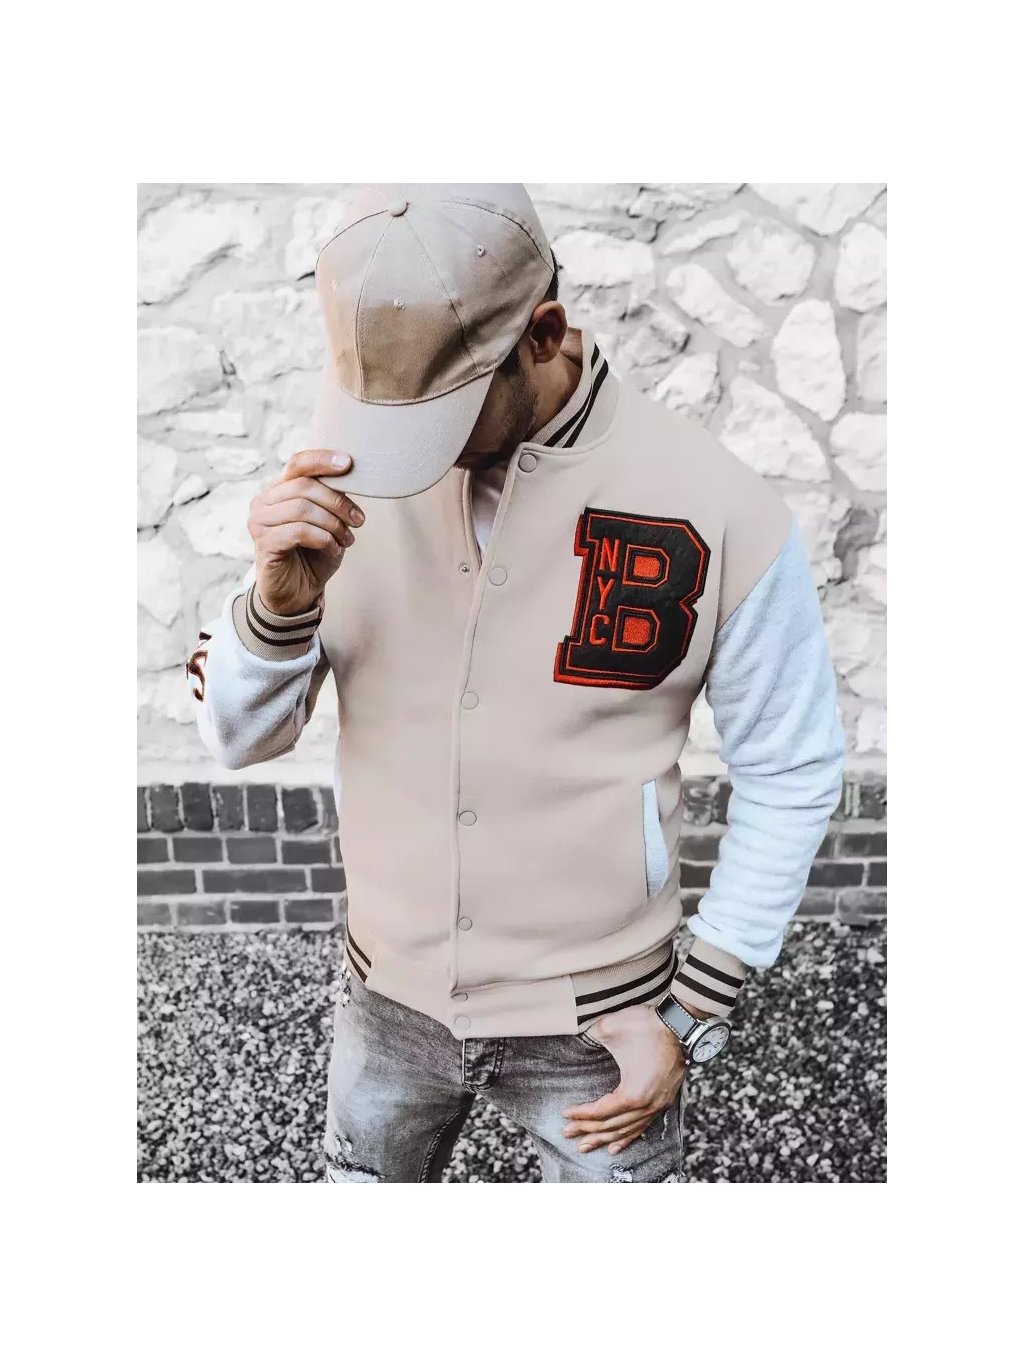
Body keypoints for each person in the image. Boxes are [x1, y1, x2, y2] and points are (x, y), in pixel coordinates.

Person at [187, 183, 845, 1183]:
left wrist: (693, 1010)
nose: (406, 452)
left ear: (543, 334)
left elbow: (792, 768)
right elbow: (238, 738)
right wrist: (278, 603)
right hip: (384, 1002)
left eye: (441, 414)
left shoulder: (721, 507)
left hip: (601, 1024)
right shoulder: (346, 473)